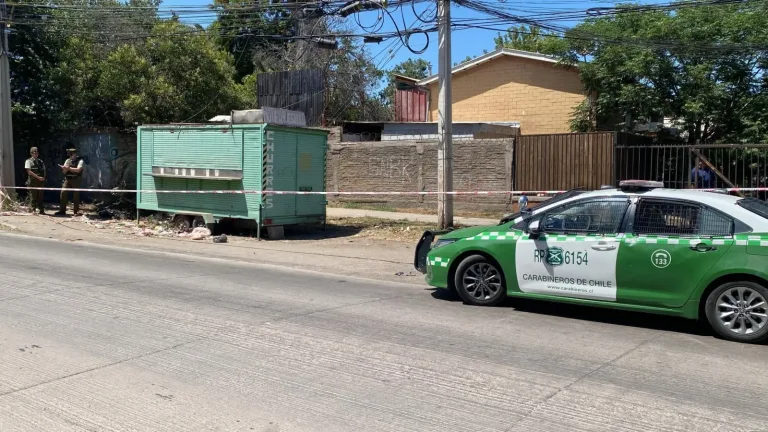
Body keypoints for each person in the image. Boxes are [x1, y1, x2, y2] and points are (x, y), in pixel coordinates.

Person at [56, 147, 85, 216]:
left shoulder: (80, 161)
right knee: (63, 193)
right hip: (67, 179)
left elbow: (78, 170)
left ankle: (76, 211)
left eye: (71, 154)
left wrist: (69, 168)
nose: (70, 156)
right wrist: (64, 168)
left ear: (74, 154)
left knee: (76, 195)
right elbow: (64, 172)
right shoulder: (67, 160)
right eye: (70, 154)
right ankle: (62, 210)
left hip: (76, 179)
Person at [24, 147, 46, 215]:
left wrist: (44, 177)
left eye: (37, 153)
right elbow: (29, 171)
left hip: (41, 181)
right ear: (31, 153)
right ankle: (33, 210)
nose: (36, 154)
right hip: (33, 181)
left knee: (41, 196)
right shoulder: (28, 161)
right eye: (34, 153)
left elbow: (44, 170)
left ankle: (41, 210)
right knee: (33, 196)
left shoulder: (40, 161)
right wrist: (38, 177)